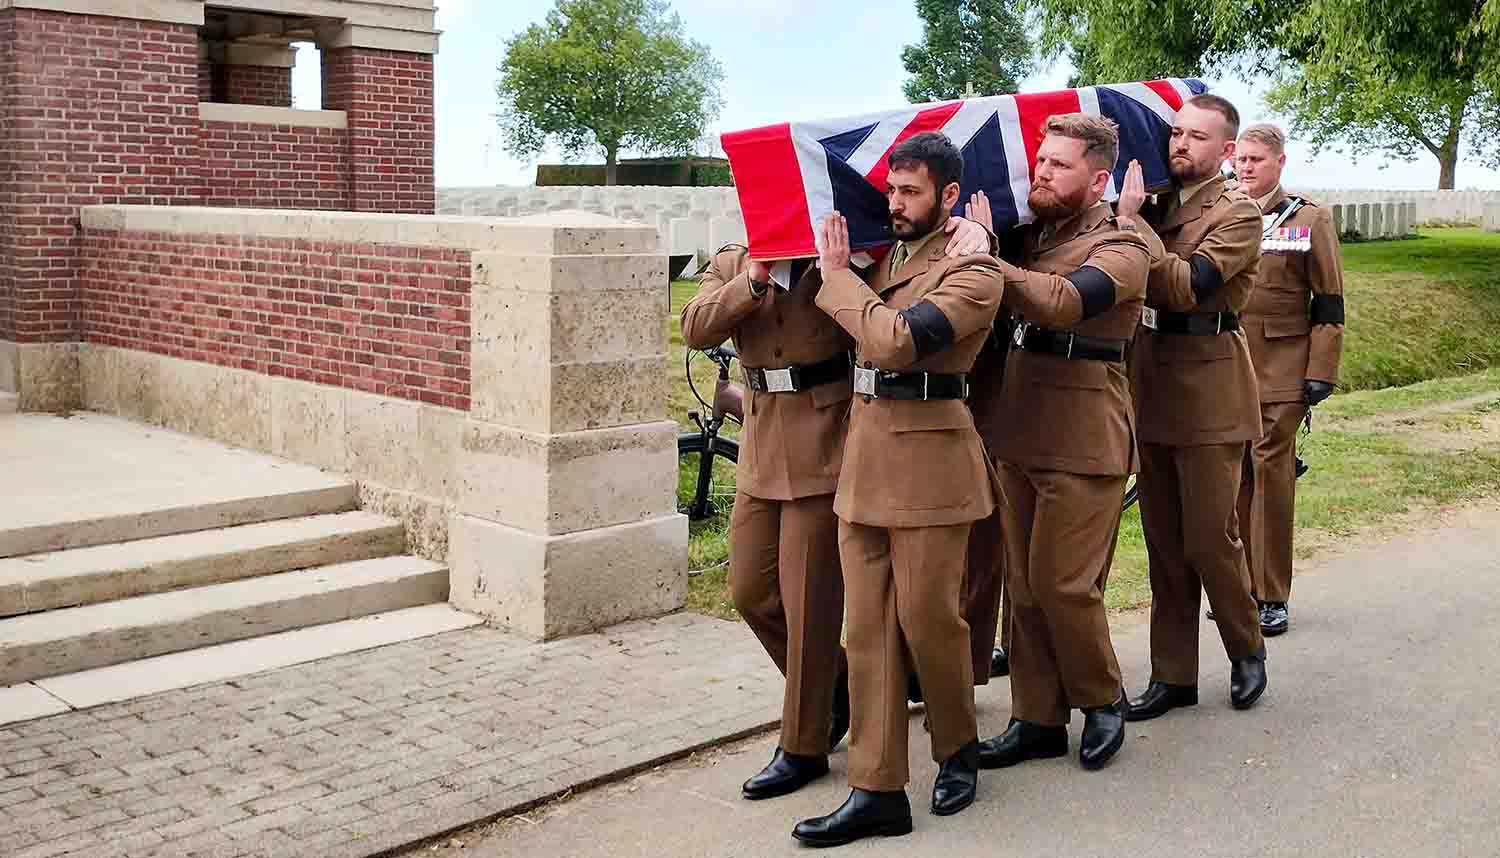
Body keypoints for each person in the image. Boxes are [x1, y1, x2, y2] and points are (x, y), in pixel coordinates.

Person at [791, 131, 1003, 847]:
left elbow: (896, 342)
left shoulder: (976, 268)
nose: (895, 204)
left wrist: (837, 277)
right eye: (890, 190)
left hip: (933, 467)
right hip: (867, 462)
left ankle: (956, 747)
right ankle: (877, 787)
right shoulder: (884, 259)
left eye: (910, 192)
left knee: (930, 620)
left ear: (948, 195)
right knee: (869, 628)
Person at [962, 114, 1152, 771]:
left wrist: (986, 259)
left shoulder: (1124, 243)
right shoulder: (1030, 235)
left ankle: (1102, 698)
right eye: (1040, 160)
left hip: (1084, 431)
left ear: (1098, 178)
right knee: (1025, 585)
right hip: (1021, 425)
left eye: (1059, 164)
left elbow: (1068, 302)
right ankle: (1036, 717)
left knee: (1064, 583)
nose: (1041, 172)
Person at [1115, 93, 1269, 720]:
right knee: (1163, 543)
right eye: (1175, 133)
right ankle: (1173, 674)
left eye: (1197, 137)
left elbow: (1186, 286)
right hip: (1152, 385)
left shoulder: (1239, 213)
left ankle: (1245, 646)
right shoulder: (1154, 200)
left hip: (1210, 390)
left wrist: (1134, 227)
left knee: (1210, 538)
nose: (1181, 144)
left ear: (1226, 150)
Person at [681, 249, 853, 801]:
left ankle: (803, 746)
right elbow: (694, 327)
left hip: (825, 434)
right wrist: (753, 282)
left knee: (810, 605)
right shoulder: (734, 261)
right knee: (751, 591)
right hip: (761, 439)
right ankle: (839, 680)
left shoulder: (839, 256)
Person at [1232, 123, 1345, 636]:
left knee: (1270, 468)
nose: (1246, 167)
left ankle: (1271, 593)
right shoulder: (1224, 213)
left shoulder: (1307, 218)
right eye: (1241, 159)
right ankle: (1243, 587)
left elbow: (1328, 299)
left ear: (1280, 161)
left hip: (1282, 363)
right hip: (1227, 367)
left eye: (1257, 159)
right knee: (1234, 476)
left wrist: (1322, 369)